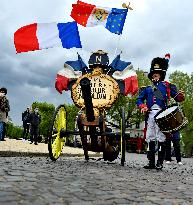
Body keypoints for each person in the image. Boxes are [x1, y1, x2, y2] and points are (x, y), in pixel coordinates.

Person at [136, 54, 185, 170]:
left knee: (162, 138)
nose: (154, 76)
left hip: (162, 115)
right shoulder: (147, 88)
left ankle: (160, 163)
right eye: (153, 74)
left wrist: (181, 96)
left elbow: (178, 98)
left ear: (161, 75)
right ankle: (151, 162)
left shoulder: (167, 86)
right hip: (150, 116)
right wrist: (142, 106)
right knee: (150, 137)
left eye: (156, 74)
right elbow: (139, 100)